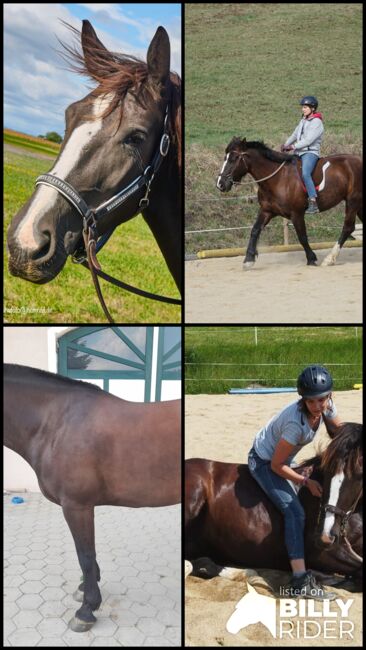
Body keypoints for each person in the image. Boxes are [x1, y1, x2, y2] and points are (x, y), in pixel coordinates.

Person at [247, 365, 343, 600]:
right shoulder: (294, 424)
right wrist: (305, 481)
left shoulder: (326, 405)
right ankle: (300, 580)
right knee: (295, 513)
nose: (318, 405)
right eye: (312, 401)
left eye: (322, 399)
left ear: (329, 395)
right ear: (303, 400)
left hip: (285, 458)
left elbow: (339, 435)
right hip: (264, 461)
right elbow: (276, 466)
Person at [281, 96, 324, 214]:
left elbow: (309, 140)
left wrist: (293, 146)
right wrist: (286, 144)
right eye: (302, 107)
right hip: (298, 152)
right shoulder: (303, 121)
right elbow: (295, 134)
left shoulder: (317, 122)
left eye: (305, 107)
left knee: (305, 173)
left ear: (313, 108)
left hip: (310, 152)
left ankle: (313, 202)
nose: (303, 109)